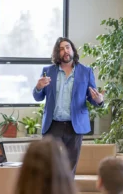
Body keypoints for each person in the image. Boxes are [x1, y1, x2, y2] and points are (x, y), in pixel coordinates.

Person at [33, 37, 104, 174]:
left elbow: (92, 97)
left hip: (75, 126)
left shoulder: (86, 71)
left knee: (69, 169)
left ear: (72, 50)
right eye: (61, 49)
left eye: (67, 47)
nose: (65, 51)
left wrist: (99, 100)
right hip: (53, 125)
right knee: (48, 167)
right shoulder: (48, 70)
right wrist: (38, 86)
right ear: (57, 53)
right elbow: (38, 97)